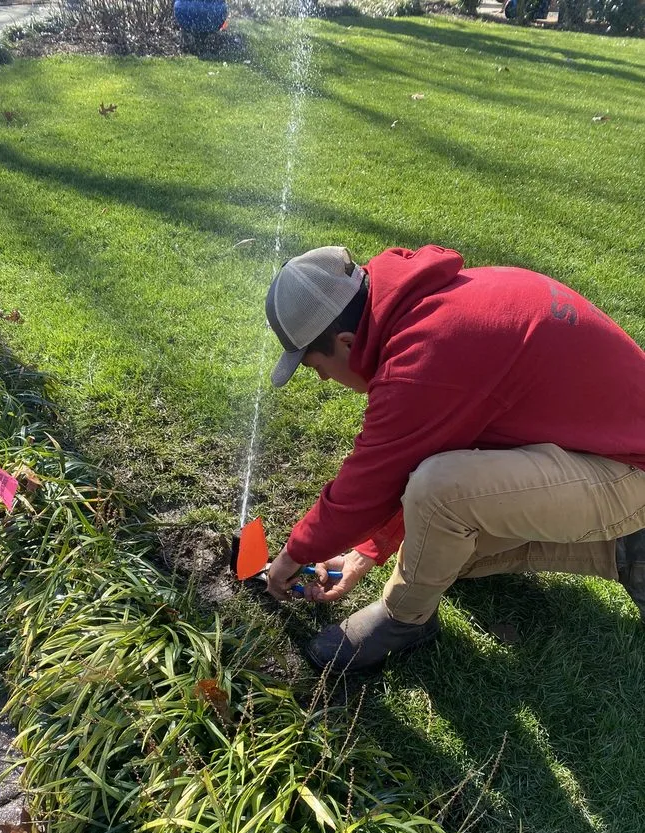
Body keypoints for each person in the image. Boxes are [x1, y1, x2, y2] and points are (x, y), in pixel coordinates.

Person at [263, 244, 645, 675]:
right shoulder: (432, 309)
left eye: (316, 366)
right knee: (442, 554)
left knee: (440, 493)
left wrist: (292, 556)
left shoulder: (426, 355)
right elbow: (424, 447)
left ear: (346, 342)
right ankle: (625, 549)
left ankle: (404, 621)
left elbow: (366, 488)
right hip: (596, 450)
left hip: (627, 468)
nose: (322, 379)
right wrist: (368, 551)